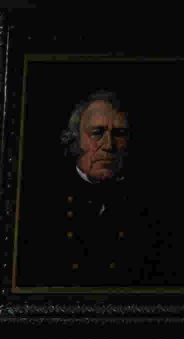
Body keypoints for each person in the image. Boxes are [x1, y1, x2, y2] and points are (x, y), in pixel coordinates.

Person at [14, 89, 178, 288]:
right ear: (75, 140)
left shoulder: (153, 206)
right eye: (97, 133)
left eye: (119, 134)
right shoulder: (41, 202)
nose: (109, 145)